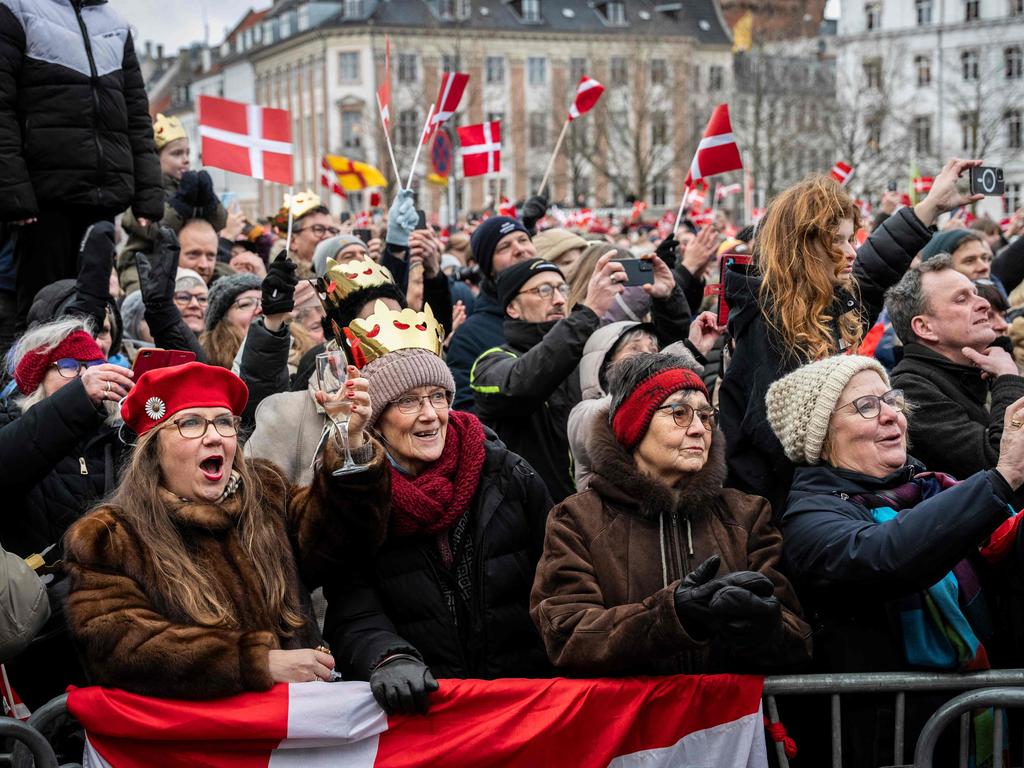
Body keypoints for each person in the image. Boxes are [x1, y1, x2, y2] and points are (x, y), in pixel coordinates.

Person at [63, 361, 390, 699]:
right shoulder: (110, 537)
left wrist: (350, 444)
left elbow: (343, 544)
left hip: (295, 728)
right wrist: (258, 662)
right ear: (153, 448)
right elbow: (120, 648)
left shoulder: (267, 495)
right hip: (202, 741)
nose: (214, 436)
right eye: (190, 423)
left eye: (223, 422)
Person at [766, 355, 1024, 767]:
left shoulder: (935, 489)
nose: (892, 416)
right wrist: (1003, 475)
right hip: (886, 746)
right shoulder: (808, 517)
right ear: (821, 435)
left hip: (974, 732)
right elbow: (887, 554)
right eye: (867, 406)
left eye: (892, 400)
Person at [719, 159, 983, 515]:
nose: (851, 252)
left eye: (850, 239)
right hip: (788, 510)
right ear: (802, 248)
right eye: (837, 242)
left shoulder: (824, 304)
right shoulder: (769, 321)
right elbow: (777, 440)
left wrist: (929, 207)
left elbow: (873, 271)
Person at [323, 309, 553, 714]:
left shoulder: (507, 474)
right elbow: (350, 606)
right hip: (427, 712)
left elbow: (559, 579)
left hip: (524, 703)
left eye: (438, 397)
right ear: (376, 419)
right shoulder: (359, 493)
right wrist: (388, 656)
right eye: (408, 401)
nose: (430, 414)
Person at [531, 353, 810, 676]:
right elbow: (566, 635)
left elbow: (799, 638)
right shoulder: (577, 520)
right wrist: (669, 616)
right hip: (629, 723)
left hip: (725, 723)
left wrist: (762, 629)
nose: (699, 430)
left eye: (707, 417)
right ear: (632, 426)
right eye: (679, 413)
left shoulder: (746, 513)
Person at [0, 0, 163, 327]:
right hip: (43, 197)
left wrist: (148, 195)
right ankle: (34, 378)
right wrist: (14, 192)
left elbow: (136, 116)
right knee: (41, 311)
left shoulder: (115, 24)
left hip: (102, 196)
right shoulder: (18, 9)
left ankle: (88, 375)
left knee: (92, 309)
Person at [0, 317, 133, 706]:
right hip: (33, 625)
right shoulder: (12, 427)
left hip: (108, 626)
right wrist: (76, 402)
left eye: (93, 365)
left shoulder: (117, 438)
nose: (86, 376)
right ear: (36, 378)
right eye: (70, 367)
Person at [471, 256, 628, 501]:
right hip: (528, 518)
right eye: (543, 290)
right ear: (512, 307)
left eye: (561, 289)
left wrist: (668, 299)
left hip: (590, 512)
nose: (558, 299)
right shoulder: (491, 362)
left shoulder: (585, 357)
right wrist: (588, 314)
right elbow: (521, 385)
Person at [246, 257, 405, 484]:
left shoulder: (428, 403)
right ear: (342, 336)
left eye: (397, 323)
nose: (387, 337)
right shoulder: (293, 412)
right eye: (373, 326)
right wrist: (272, 325)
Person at [885, 255, 1024, 478]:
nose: (985, 304)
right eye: (961, 299)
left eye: (975, 294)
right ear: (925, 327)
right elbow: (1003, 464)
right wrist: (1007, 378)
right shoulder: (911, 389)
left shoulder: (975, 369)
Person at [567, 314, 722, 490]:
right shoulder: (583, 412)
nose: (648, 355)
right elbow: (629, 402)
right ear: (604, 363)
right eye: (635, 349)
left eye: (654, 349)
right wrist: (687, 351)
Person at [116, 114, 227, 295]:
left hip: (191, 263)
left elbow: (220, 224)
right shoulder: (143, 189)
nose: (185, 159)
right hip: (147, 264)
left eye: (187, 153)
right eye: (176, 154)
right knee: (145, 300)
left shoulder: (190, 186)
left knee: (233, 286)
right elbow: (152, 230)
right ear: (156, 158)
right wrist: (180, 205)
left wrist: (210, 202)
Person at [447, 216, 536, 410]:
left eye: (523, 240)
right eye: (504, 247)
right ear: (489, 267)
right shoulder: (470, 337)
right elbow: (469, 415)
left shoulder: (561, 313)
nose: (520, 249)